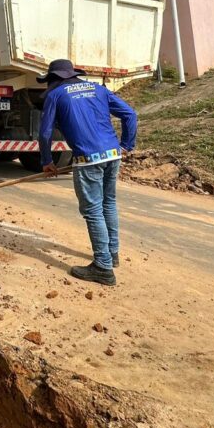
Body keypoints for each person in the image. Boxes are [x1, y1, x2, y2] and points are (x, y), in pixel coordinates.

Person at [38, 59, 137, 286]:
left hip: (88, 159)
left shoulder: (55, 95)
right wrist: (126, 145)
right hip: (113, 154)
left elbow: (44, 134)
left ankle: (103, 267)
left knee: (93, 212)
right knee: (108, 203)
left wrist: (47, 161)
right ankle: (112, 254)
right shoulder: (98, 89)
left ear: (54, 79)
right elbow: (130, 114)